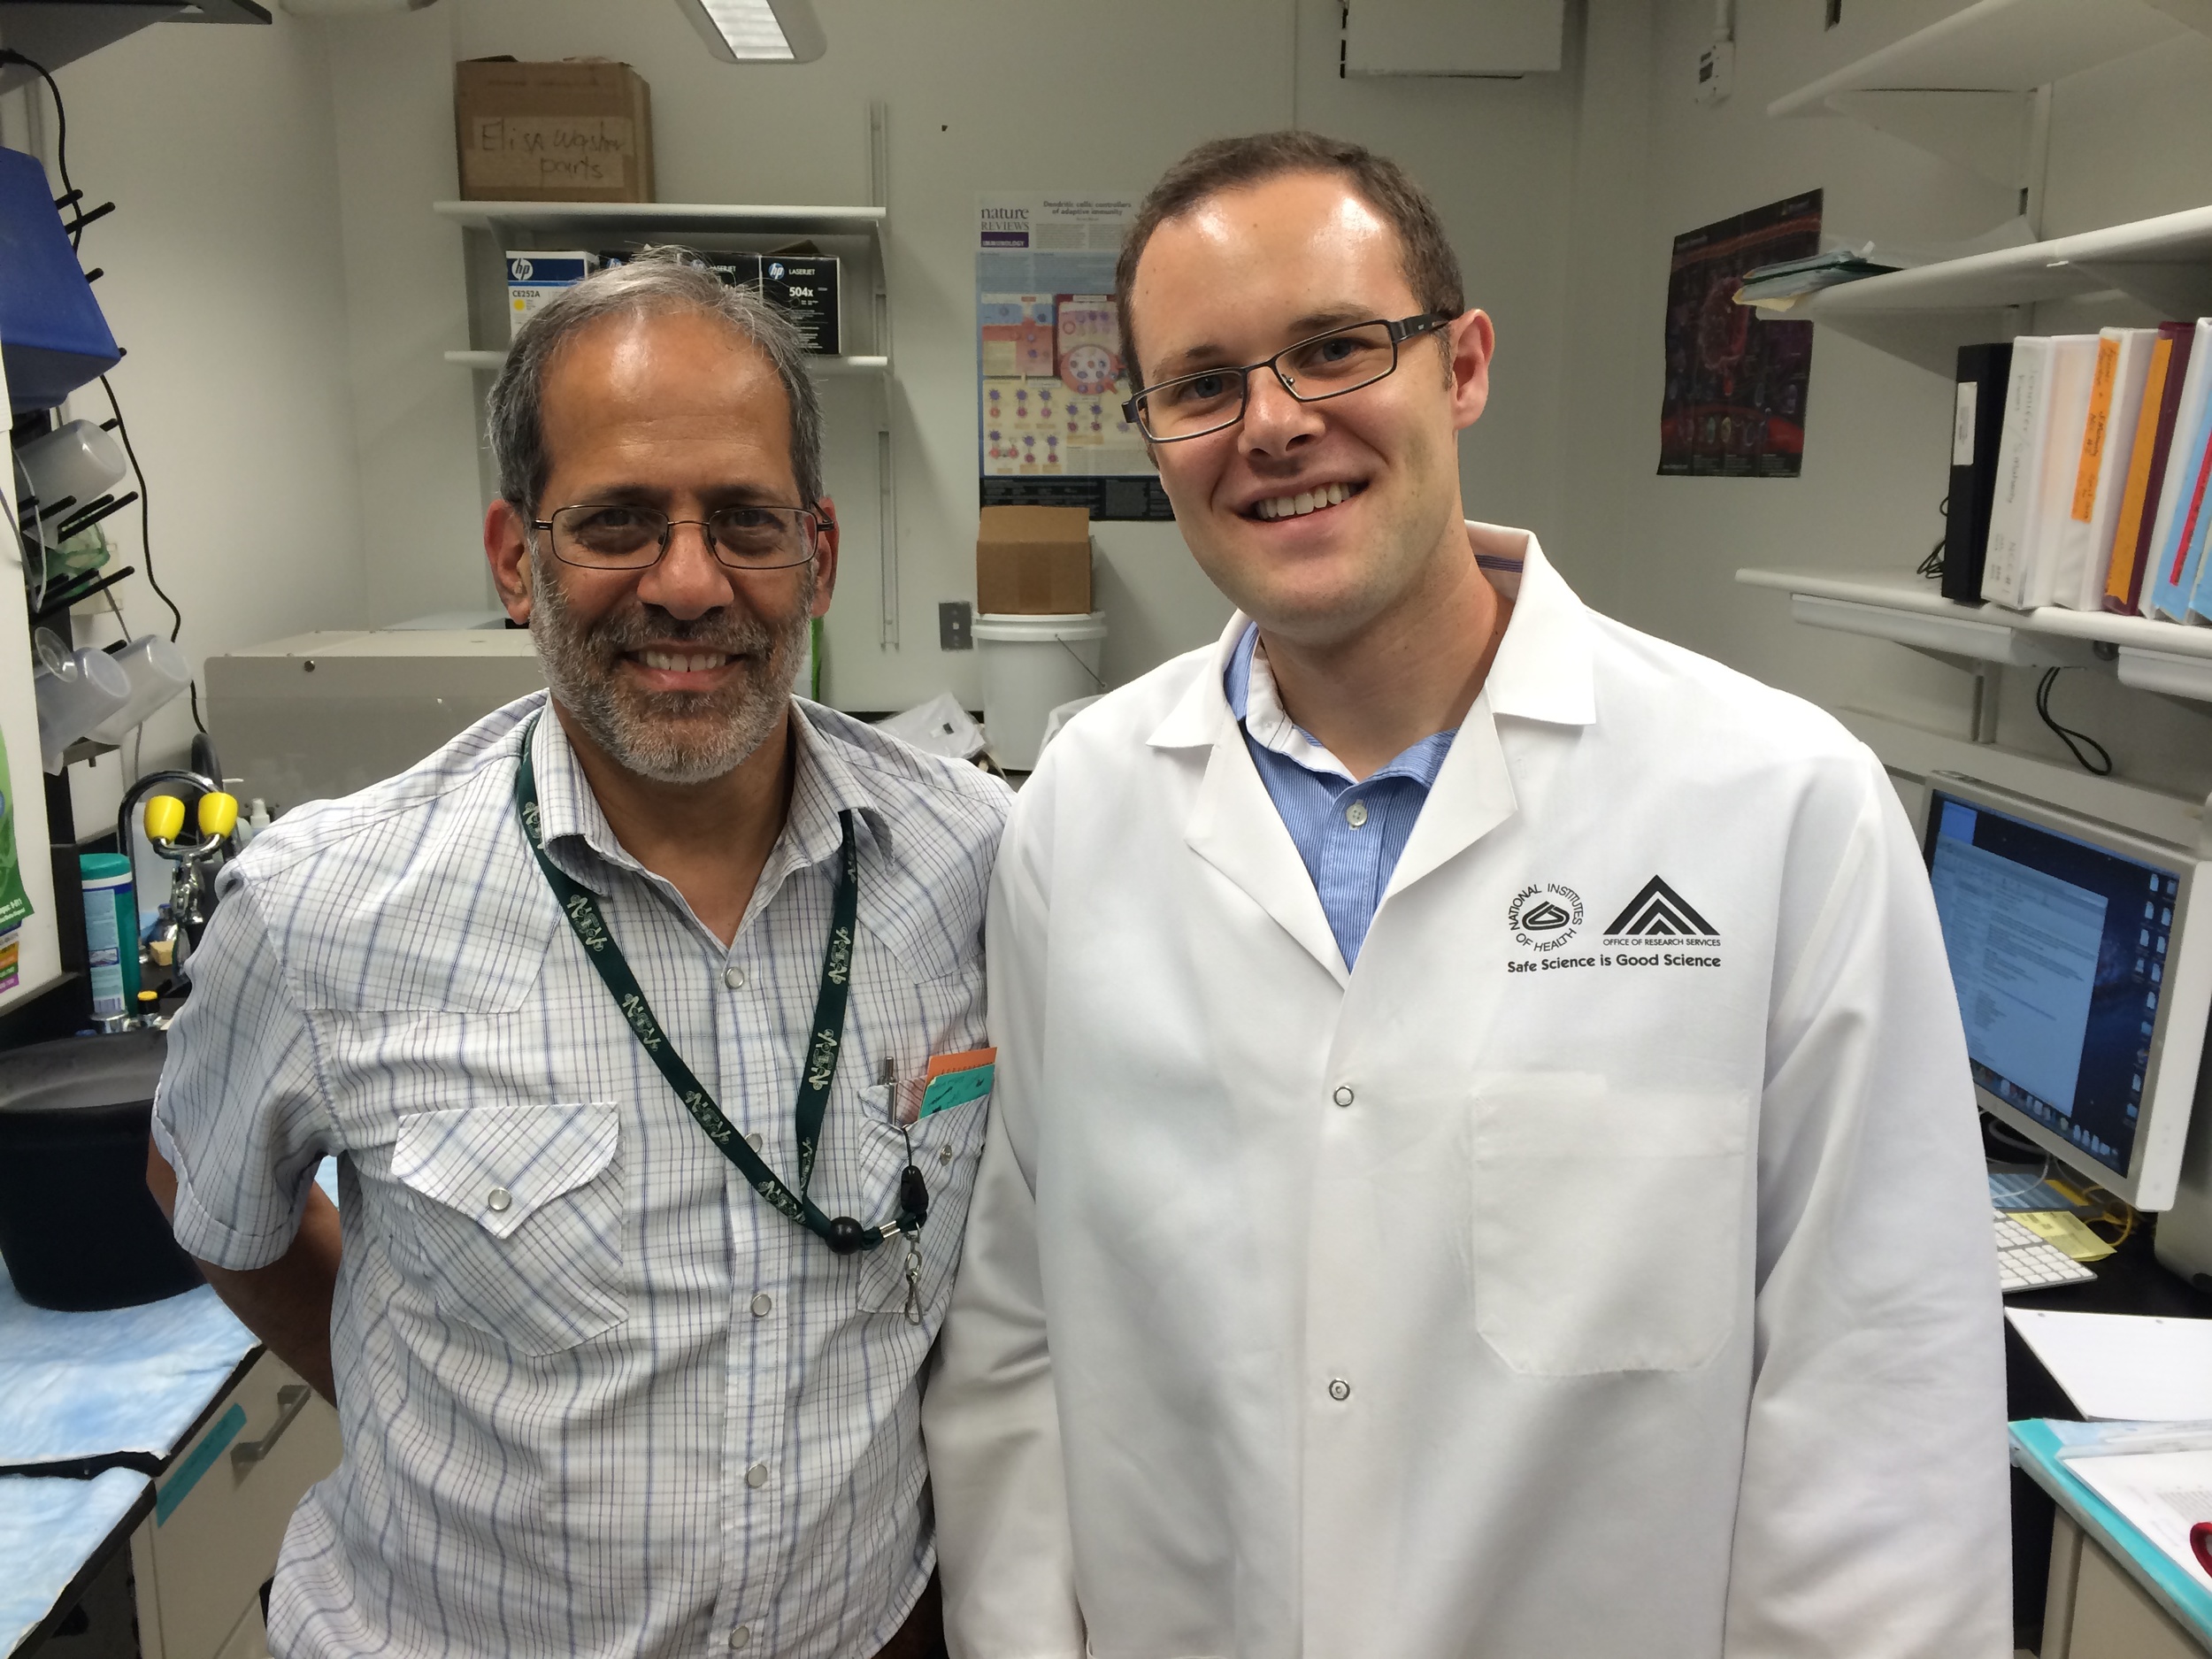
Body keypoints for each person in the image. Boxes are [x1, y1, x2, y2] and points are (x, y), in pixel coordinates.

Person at [924, 132, 2009, 1658]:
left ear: (1464, 366)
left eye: (1334, 349)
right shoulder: (1082, 810)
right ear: (1155, 432)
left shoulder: (1777, 806)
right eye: (1202, 383)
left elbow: (1882, 1406)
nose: (1274, 425)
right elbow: (1016, 1341)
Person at [149, 251, 1005, 1659]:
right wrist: (427, 1420)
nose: (686, 584)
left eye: (744, 520)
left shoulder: (974, 863)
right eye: (616, 521)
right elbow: (207, 1190)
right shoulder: (322, 908)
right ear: (513, 558)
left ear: (820, 557)